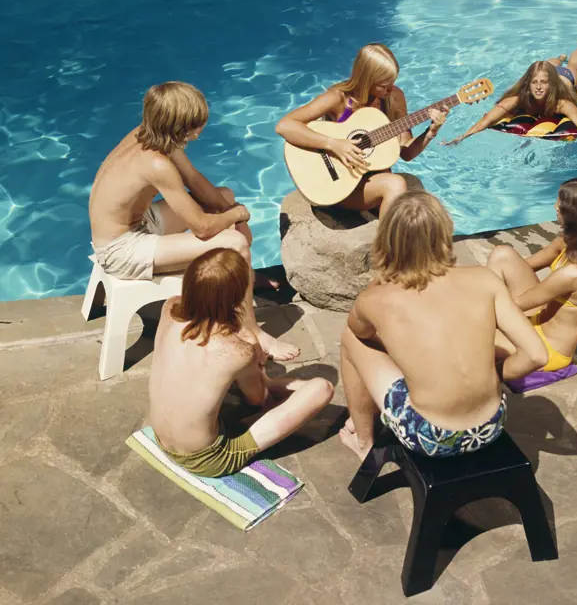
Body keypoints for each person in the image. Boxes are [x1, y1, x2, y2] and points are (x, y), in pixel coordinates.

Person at [89, 81, 298, 360]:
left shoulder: (149, 134)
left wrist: (227, 205)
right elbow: (201, 227)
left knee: (224, 196)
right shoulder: (155, 164)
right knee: (235, 243)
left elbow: (194, 180)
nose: (199, 132)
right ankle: (253, 332)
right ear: (179, 126)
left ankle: (242, 276)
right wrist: (237, 215)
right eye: (196, 125)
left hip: (136, 224)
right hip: (120, 249)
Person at [337, 190, 548, 461]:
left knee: (351, 340)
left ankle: (364, 442)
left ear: (387, 240)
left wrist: (379, 285)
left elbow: (361, 332)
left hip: (429, 435)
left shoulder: (374, 300)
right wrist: (492, 376)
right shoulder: (484, 279)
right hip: (491, 425)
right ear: (445, 233)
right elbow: (536, 355)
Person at [149, 247, 334, 477]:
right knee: (321, 389)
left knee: (234, 377)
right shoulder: (235, 352)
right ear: (237, 297)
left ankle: (278, 382)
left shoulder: (170, 307)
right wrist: (255, 358)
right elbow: (258, 399)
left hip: (161, 437)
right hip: (207, 459)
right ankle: (286, 385)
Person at [275, 43, 450, 217]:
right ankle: (387, 244)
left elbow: (406, 152)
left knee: (418, 204)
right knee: (395, 185)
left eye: (393, 82)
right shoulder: (338, 97)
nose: (391, 89)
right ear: (367, 79)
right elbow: (285, 125)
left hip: (372, 180)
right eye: (384, 84)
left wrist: (430, 132)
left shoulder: (394, 97)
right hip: (338, 184)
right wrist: (333, 144)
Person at [486, 178, 577, 373]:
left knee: (470, 336)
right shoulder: (571, 243)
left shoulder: (574, 274)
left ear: (575, 216)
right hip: (540, 316)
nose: (555, 207)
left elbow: (513, 305)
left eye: (560, 205)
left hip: (546, 348)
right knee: (503, 255)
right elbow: (524, 266)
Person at [443, 40, 577, 165]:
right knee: (549, 64)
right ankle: (559, 58)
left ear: (550, 84)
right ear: (528, 83)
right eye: (534, 82)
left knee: (575, 63)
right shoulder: (518, 99)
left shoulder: (562, 103)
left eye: (543, 83)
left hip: (567, 81)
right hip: (552, 72)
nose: (539, 87)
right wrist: (462, 137)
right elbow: (487, 120)